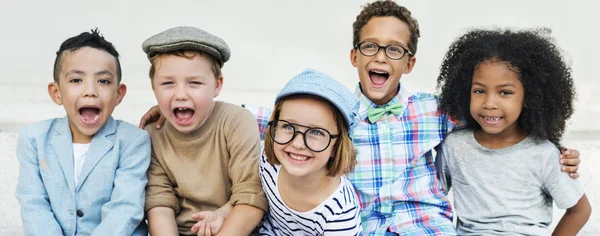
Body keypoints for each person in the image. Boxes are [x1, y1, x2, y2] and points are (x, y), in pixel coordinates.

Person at [138, 1, 583, 235]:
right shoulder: (332, 114)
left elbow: (497, 113)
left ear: (408, 63)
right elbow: (254, 115)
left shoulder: (435, 109)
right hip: (358, 226)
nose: (380, 55)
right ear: (355, 56)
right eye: (370, 46)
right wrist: (181, 102)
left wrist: (554, 146)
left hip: (422, 225)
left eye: (394, 49)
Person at [435, 28, 591, 235]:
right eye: (479, 91)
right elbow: (431, 200)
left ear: (529, 97)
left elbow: (579, 210)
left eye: (505, 92)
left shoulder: (544, 154)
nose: (489, 103)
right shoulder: (453, 147)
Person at [15, 29, 150, 235]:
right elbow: (34, 205)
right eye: (76, 80)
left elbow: (125, 208)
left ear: (118, 94)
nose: (90, 90)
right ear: (56, 92)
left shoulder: (133, 141)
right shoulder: (34, 139)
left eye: (103, 81)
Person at [141, 26, 268, 236]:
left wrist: (225, 218)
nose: (180, 94)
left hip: (234, 228)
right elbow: (159, 206)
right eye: (167, 83)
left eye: (194, 83)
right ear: (153, 87)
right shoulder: (153, 135)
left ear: (217, 85)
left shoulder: (236, 122)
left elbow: (251, 198)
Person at [258, 69, 362, 235]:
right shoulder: (266, 162)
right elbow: (248, 194)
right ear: (275, 127)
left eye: (316, 132)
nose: (298, 144)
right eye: (288, 126)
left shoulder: (340, 211)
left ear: (336, 146)